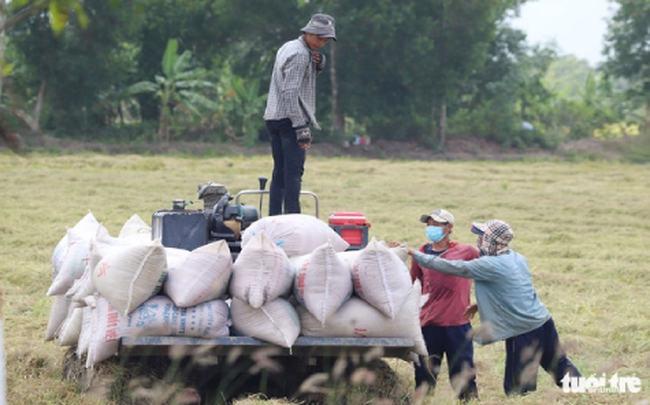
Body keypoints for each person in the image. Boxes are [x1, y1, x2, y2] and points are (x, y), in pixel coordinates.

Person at [403, 219, 582, 396]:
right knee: (559, 364)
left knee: (517, 386)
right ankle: (587, 394)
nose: (478, 240)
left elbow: (451, 267)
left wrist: (414, 253)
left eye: (481, 236)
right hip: (543, 321)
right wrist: (479, 304)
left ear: (490, 241)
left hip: (523, 330)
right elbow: (514, 292)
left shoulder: (489, 264)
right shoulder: (516, 257)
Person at [402, 208, 480, 401]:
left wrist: (481, 302)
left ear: (449, 227)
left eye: (437, 224)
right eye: (429, 224)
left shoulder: (467, 251)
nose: (431, 228)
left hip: (458, 324)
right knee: (424, 375)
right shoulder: (421, 252)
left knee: (462, 373)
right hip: (429, 324)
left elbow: (491, 273)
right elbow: (413, 285)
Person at [263, 13, 336, 216]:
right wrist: (300, 126)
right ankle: (292, 219)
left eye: (326, 39)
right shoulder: (301, 54)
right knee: (293, 174)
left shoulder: (289, 46)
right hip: (289, 120)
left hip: (274, 117)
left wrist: (319, 63)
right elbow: (290, 91)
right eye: (319, 37)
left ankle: (274, 217)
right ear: (308, 32)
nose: (322, 42)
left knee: (280, 173)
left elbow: (302, 78)